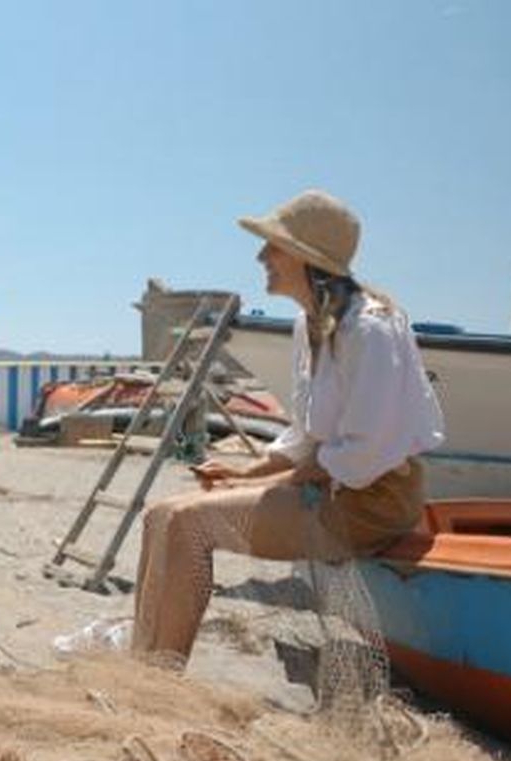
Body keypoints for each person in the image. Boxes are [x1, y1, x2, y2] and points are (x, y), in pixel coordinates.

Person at [131, 190, 445, 664]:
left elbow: (359, 457)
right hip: (330, 489)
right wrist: (246, 471)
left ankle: (163, 672)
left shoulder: (370, 330)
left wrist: (251, 485)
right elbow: (304, 437)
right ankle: (142, 662)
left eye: (273, 246)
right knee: (159, 514)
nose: (262, 256)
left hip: (372, 504)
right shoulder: (309, 325)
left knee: (188, 524)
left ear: (307, 258)